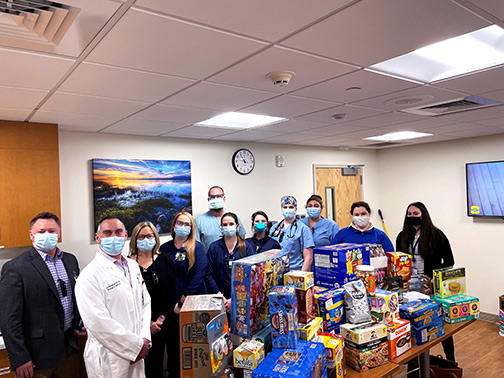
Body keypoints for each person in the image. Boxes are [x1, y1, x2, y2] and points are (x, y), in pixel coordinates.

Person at [0, 212, 85, 378]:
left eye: (52, 231)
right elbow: (9, 319)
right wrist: (20, 358)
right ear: (31, 235)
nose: (47, 235)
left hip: (69, 349)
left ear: (59, 233)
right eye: (41, 232)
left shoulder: (70, 260)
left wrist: (79, 323)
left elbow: (74, 298)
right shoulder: (16, 268)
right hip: (36, 356)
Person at [75, 216, 151, 378]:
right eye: (107, 233)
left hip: (138, 348)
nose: (113, 237)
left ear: (125, 235)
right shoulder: (89, 276)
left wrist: (144, 339)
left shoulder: (133, 266)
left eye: (118, 232)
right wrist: (134, 347)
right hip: (109, 357)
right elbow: (98, 322)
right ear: (98, 238)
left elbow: (145, 303)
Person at [396, 201, 456, 361]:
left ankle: (450, 360)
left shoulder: (437, 235)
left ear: (423, 214)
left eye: (415, 214)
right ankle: (414, 363)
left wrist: (432, 277)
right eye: (409, 214)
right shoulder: (402, 236)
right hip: (408, 288)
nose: (412, 217)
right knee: (411, 324)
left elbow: (450, 261)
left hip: (430, 287)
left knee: (439, 323)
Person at [159, 212, 207, 378]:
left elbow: (199, 276)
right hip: (169, 308)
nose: (183, 227)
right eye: (180, 223)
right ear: (173, 226)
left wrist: (181, 302)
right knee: (173, 349)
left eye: (187, 224)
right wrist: (170, 305)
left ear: (192, 228)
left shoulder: (197, 247)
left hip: (190, 305)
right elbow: (161, 278)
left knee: (192, 349)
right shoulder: (164, 249)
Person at [128, 222, 177, 378]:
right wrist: (145, 324)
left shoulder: (166, 260)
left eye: (149, 236)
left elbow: (172, 291)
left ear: (155, 238)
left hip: (161, 322)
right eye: (141, 236)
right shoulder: (128, 263)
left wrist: (160, 320)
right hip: (135, 324)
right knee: (139, 366)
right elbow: (126, 297)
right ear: (135, 240)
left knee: (158, 364)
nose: (145, 239)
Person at [205, 212, 254, 312]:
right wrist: (219, 296)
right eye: (225, 225)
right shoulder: (214, 247)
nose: (228, 227)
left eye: (231, 224)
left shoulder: (246, 247)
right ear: (221, 227)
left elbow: (252, 274)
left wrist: (235, 299)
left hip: (241, 298)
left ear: (237, 226)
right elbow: (207, 274)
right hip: (218, 299)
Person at [269, 195, 315, 271]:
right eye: (285, 207)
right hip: (276, 271)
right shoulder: (274, 228)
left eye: (291, 207)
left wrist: (300, 277)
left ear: (295, 209)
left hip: (295, 271)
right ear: (281, 209)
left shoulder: (303, 229)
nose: (288, 209)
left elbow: (308, 258)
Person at [195, 186, 246, 251]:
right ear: (208, 200)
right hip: (210, 260)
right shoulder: (199, 221)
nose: (216, 199)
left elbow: (242, 239)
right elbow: (196, 246)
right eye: (212, 197)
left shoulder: (234, 218)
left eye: (219, 196)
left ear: (224, 199)